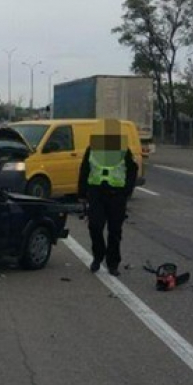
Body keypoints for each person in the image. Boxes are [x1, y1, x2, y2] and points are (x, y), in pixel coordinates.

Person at [77, 118, 138, 276]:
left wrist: (126, 191)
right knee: (95, 226)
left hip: (116, 195)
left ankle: (113, 263)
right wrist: (82, 194)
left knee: (115, 231)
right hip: (96, 193)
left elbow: (132, 171)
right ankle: (98, 255)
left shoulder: (124, 151)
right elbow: (84, 170)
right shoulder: (92, 149)